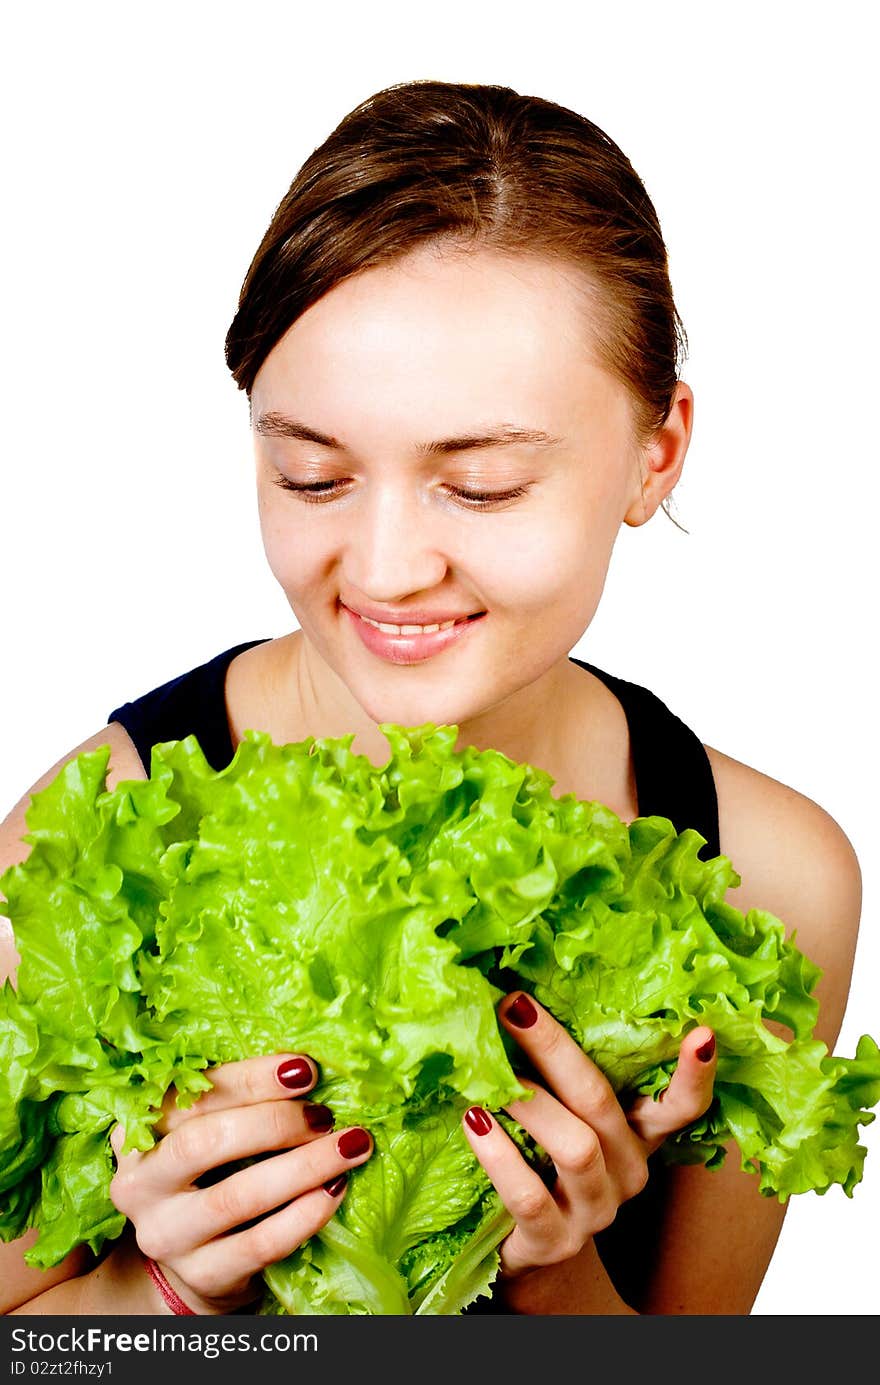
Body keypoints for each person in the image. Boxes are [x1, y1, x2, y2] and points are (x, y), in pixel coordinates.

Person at [0, 78, 863, 1317]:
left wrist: (555, 1276)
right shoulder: (86, 847)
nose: (388, 566)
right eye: (312, 475)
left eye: (484, 484)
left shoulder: (774, 881)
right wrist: (174, 1297)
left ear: (657, 449)